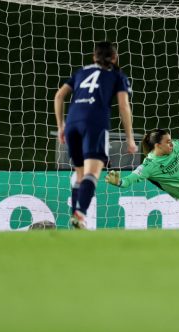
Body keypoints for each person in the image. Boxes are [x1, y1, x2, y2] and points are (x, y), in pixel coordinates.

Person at [54, 41, 136, 229]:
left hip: (72, 123)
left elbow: (59, 96)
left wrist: (61, 126)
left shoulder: (81, 72)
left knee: (79, 174)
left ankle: (76, 216)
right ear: (115, 58)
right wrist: (129, 137)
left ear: (94, 57)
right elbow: (123, 106)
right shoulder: (117, 76)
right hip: (94, 124)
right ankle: (80, 214)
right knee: (92, 173)